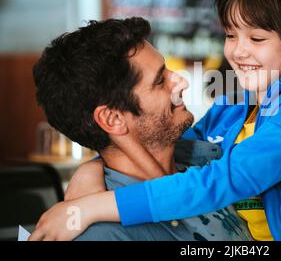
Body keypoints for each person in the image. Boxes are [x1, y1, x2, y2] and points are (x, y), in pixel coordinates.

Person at [30, 0, 281, 241]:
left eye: (257, 37)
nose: (237, 50)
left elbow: (222, 177)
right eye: (231, 35)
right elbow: (182, 149)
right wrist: (90, 171)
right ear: (111, 119)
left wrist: (91, 205)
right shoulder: (237, 102)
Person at [30, 18, 253, 241]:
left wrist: (89, 173)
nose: (181, 82)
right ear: (113, 118)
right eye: (159, 80)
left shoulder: (206, 157)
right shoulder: (104, 235)